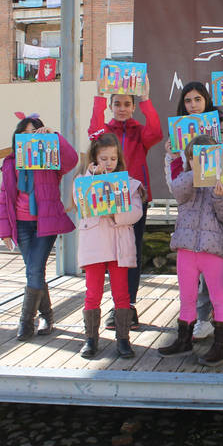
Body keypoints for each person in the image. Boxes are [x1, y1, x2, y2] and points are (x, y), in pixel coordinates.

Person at [89, 75, 163, 330]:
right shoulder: (103, 132)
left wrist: (146, 100)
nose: (121, 108)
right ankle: (116, 306)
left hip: (134, 199)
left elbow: (157, 132)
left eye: (126, 104)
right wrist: (99, 97)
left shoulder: (140, 132)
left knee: (132, 253)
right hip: (107, 199)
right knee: (108, 254)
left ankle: (128, 306)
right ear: (111, 106)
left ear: (133, 107)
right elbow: (93, 132)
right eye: (117, 103)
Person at [0, 112, 78, 341]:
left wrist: (54, 135)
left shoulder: (49, 158)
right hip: (22, 225)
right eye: (24, 135)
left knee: (34, 270)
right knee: (35, 271)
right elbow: (4, 198)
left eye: (34, 134)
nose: (29, 139)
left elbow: (72, 159)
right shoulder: (10, 164)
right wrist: (4, 232)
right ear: (17, 139)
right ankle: (47, 315)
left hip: (46, 222)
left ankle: (25, 323)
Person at [158, 135, 223, 367]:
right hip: (186, 247)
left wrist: (219, 196)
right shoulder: (184, 179)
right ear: (189, 159)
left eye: (206, 158)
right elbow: (178, 191)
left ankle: (220, 346)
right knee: (187, 295)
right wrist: (195, 172)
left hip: (213, 250)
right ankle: (184, 339)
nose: (199, 162)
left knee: (218, 296)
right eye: (194, 157)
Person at [77, 133, 143, 359]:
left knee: (121, 293)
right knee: (92, 292)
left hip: (118, 246)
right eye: (103, 158)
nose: (108, 163)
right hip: (95, 245)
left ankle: (123, 339)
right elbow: (79, 201)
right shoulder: (82, 182)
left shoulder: (130, 184)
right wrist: (91, 177)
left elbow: (136, 212)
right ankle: (91, 339)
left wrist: (115, 211)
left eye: (113, 158)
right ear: (94, 159)